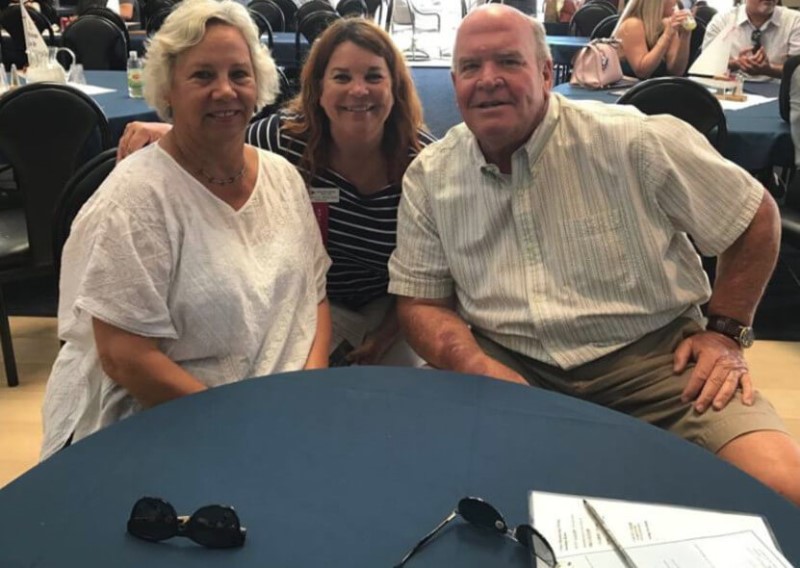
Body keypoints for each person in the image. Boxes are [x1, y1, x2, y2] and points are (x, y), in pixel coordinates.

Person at [388, 4, 800, 505]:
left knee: (781, 487)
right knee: (418, 483)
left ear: (545, 73)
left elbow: (754, 216)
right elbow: (421, 303)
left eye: (509, 62)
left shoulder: (633, 140)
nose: (488, 79)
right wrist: (472, 362)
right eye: (471, 67)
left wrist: (726, 332)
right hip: (506, 361)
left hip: (656, 363)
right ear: (453, 83)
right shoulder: (431, 175)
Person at [40, 0, 331, 460]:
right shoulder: (136, 200)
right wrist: (242, 428)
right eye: (203, 75)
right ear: (168, 90)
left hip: (283, 414)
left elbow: (314, 296)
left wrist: (306, 397)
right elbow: (124, 355)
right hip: (174, 422)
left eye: (239, 74)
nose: (225, 90)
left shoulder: (282, 177)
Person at [118, 18, 434, 366]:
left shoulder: (422, 164)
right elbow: (224, 138)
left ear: (395, 87)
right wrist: (171, 131)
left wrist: (382, 339)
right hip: (304, 301)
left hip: (392, 308)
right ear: (319, 87)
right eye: (342, 77)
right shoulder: (283, 141)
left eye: (374, 77)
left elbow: (431, 277)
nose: (358, 90)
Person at [702, 0, 800, 80]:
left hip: (779, 89)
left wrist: (770, 69)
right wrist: (735, 63)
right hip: (729, 87)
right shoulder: (722, 21)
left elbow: (798, 70)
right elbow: (706, 63)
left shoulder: (795, 21)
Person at [613, 0, 693, 79]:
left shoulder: (667, 25)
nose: (676, 1)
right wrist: (667, 36)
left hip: (659, 85)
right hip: (632, 85)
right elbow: (642, 72)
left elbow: (676, 72)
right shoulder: (632, 24)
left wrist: (685, 36)